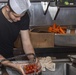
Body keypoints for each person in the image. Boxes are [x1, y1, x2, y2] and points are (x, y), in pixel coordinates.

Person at [0, 0, 41, 75]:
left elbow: (27, 43)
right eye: (16, 16)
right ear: (7, 8)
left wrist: (33, 59)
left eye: (21, 16)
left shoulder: (24, 17)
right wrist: (13, 65)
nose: (19, 19)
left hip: (10, 59)